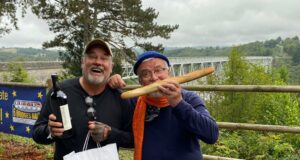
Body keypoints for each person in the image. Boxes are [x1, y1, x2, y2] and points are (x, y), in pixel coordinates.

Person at [32, 39, 134, 160]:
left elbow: (133, 139)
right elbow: (37, 134)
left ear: (111, 67)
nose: (98, 62)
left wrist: (110, 134)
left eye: (104, 58)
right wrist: (49, 131)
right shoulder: (60, 93)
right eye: (92, 57)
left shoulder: (120, 98)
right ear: (82, 62)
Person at [108, 51, 219, 160]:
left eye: (158, 70)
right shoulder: (135, 103)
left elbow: (211, 135)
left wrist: (178, 103)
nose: (154, 78)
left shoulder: (189, 98)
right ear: (140, 81)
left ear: (168, 73)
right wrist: (109, 83)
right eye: (145, 74)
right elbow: (127, 135)